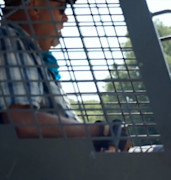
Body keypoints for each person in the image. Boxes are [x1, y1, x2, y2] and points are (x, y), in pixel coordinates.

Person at [0, 0, 130, 152]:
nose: (66, 18)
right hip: (45, 171)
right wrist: (100, 132)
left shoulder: (32, 54)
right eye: (61, 9)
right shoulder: (8, 39)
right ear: (34, 6)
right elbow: (23, 123)